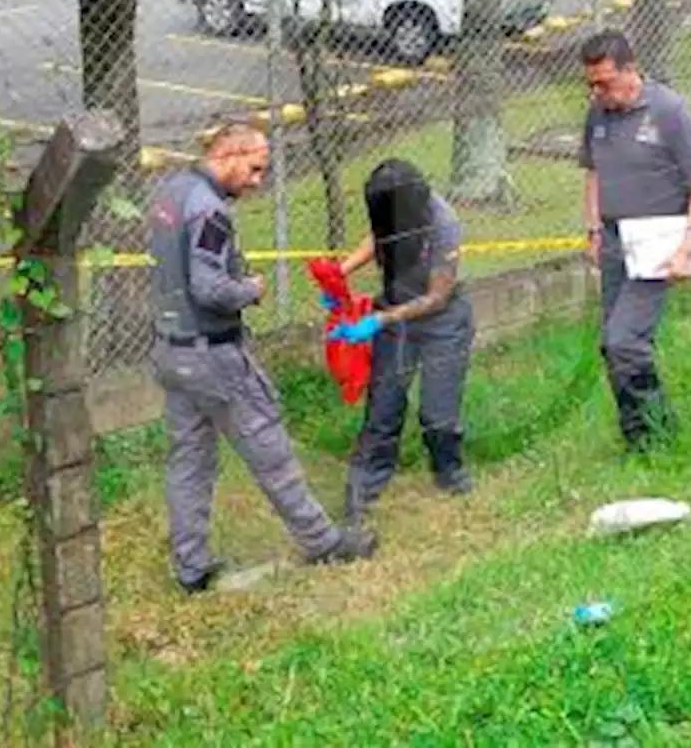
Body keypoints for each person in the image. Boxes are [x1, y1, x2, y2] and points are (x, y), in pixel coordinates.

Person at [147, 123, 377, 594]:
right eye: (254, 169)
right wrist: (249, 289)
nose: (257, 181)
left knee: (188, 459)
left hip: (172, 349)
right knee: (268, 446)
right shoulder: (210, 211)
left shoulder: (170, 191)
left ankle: (190, 566)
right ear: (230, 153)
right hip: (213, 355)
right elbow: (210, 289)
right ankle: (322, 541)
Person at [578, 31, 691, 452]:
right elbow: (593, 172)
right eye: (591, 84)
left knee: (625, 341)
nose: (597, 92)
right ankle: (640, 439)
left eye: (604, 82)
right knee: (612, 345)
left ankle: (659, 435)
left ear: (630, 70)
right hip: (615, 241)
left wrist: (687, 248)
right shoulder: (597, 113)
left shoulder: (669, 111)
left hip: (659, 240)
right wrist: (592, 230)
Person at [323, 158, 476, 522]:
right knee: (383, 410)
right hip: (395, 313)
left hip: (442, 320)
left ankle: (449, 474)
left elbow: (437, 296)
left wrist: (379, 319)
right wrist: (339, 273)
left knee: (438, 415)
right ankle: (363, 491)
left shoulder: (443, 222)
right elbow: (379, 237)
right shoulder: (393, 210)